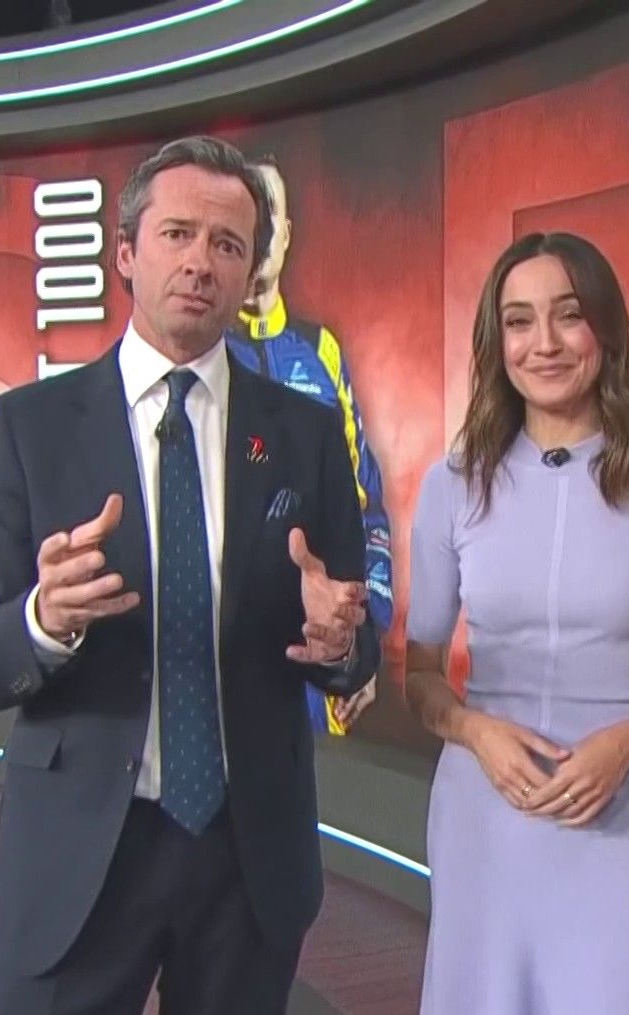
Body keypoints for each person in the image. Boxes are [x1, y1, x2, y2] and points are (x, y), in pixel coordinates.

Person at [0, 134, 380, 1015]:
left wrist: (340, 642)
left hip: (247, 857)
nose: (201, 262)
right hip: (78, 856)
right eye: (178, 234)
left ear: (251, 272)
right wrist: (44, 619)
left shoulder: (305, 434)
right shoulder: (31, 428)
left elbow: (356, 638)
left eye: (228, 244)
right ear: (126, 254)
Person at [404, 231, 629, 1015]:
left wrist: (627, 746)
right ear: (497, 341)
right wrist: (477, 733)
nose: (544, 343)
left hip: (619, 816)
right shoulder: (453, 485)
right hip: (486, 817)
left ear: (606, 329)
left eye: (568, 316)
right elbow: (420, 677)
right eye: (520, 322)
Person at [226, 157, 392, 735]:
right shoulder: (200, 356)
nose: (262, 228)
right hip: (228, 674)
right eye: (248, 212)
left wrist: (364, 638)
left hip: (322, 676)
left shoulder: (320, 351)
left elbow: (367, 506)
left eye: (271, 212)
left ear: (287, 233)